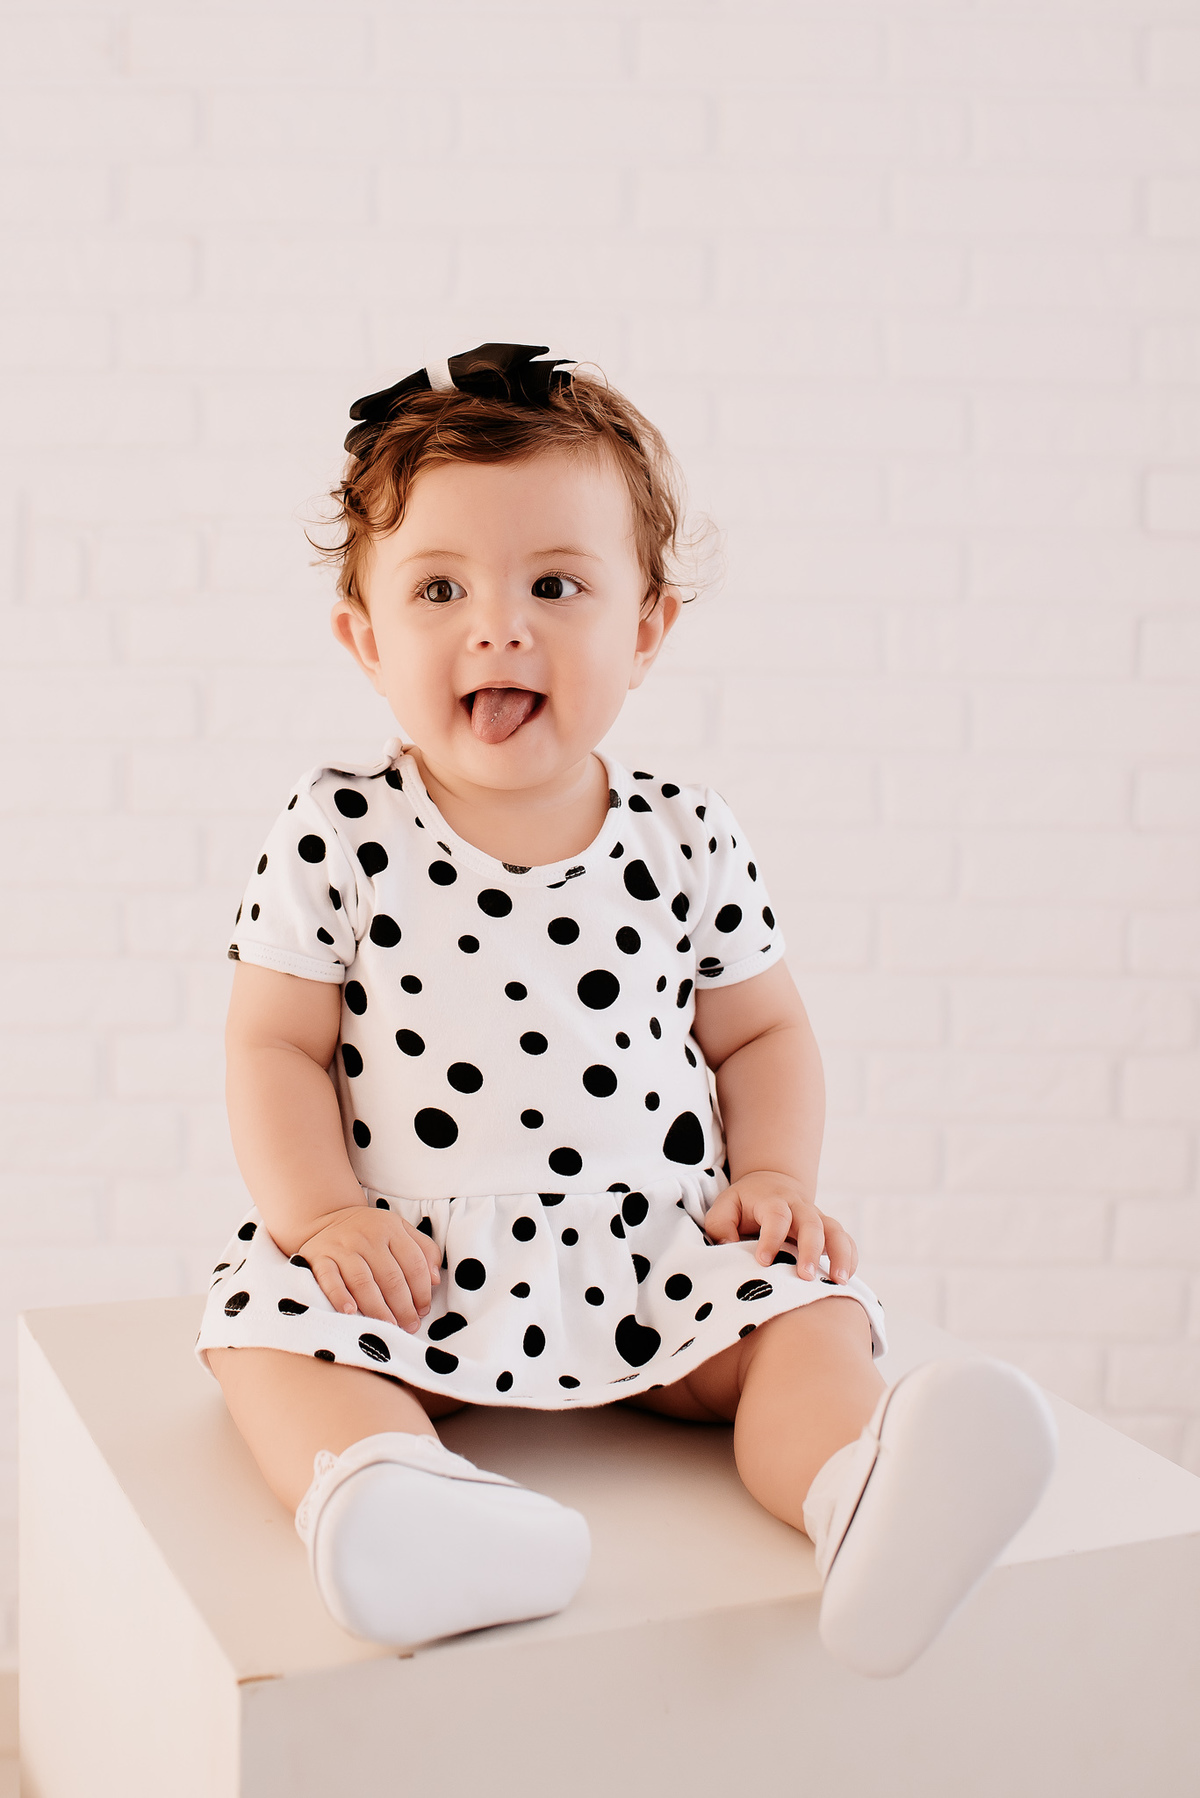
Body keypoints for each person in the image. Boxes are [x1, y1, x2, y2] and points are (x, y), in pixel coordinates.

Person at [196, 343, 1057, 1677]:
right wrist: (321, 1217)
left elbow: (760, 1031)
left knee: (805, 1316)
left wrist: (774, 1179)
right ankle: (392, 1495)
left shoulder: (684, 834)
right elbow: (274, 1045)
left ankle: (864, 1489)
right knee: (270, 1338)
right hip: (409, 1264)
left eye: (555, 585)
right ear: (365, 637)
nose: (501, 627)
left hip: (656, 1248)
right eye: (440, 588)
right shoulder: (339, 832)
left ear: (646, 628)